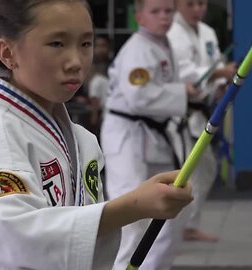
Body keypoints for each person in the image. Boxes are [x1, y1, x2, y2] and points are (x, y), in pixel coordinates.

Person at [0, 1, 193, 269]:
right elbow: (16, 235)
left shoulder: (80, 139)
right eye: (57, 44)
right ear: (7, 52)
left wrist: (136, 204)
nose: (75, 62)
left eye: (85, 44)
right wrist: (134, 206)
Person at [100, 0, 200, 269]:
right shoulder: (137, 50)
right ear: (140, 16)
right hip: (128, 138)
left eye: (168, 11)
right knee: (132, 220)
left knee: (171, 209)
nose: (164, 17)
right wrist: (183, 93)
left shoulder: (162, 45)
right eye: (156, 12)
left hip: (155, 135)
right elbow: (139, 97)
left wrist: (185, 92)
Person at [167, 0, 237, 242]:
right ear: (177, 5)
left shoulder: (207, 32)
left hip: (198, 112)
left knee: (204, 170)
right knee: (182, 173)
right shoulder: (171, 31)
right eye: (190, 4)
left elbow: (215, 62)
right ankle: (173, 228)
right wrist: (220, 73)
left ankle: (186, 226)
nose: (197, 9)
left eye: (201, 4)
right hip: (174, 115)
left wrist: (220, 86)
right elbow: (184, 72)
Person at [87, 35, 111, 136]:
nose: (100, 49)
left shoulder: (114, 66)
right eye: (97, 46)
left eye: (103, 46)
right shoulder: (86, 66)